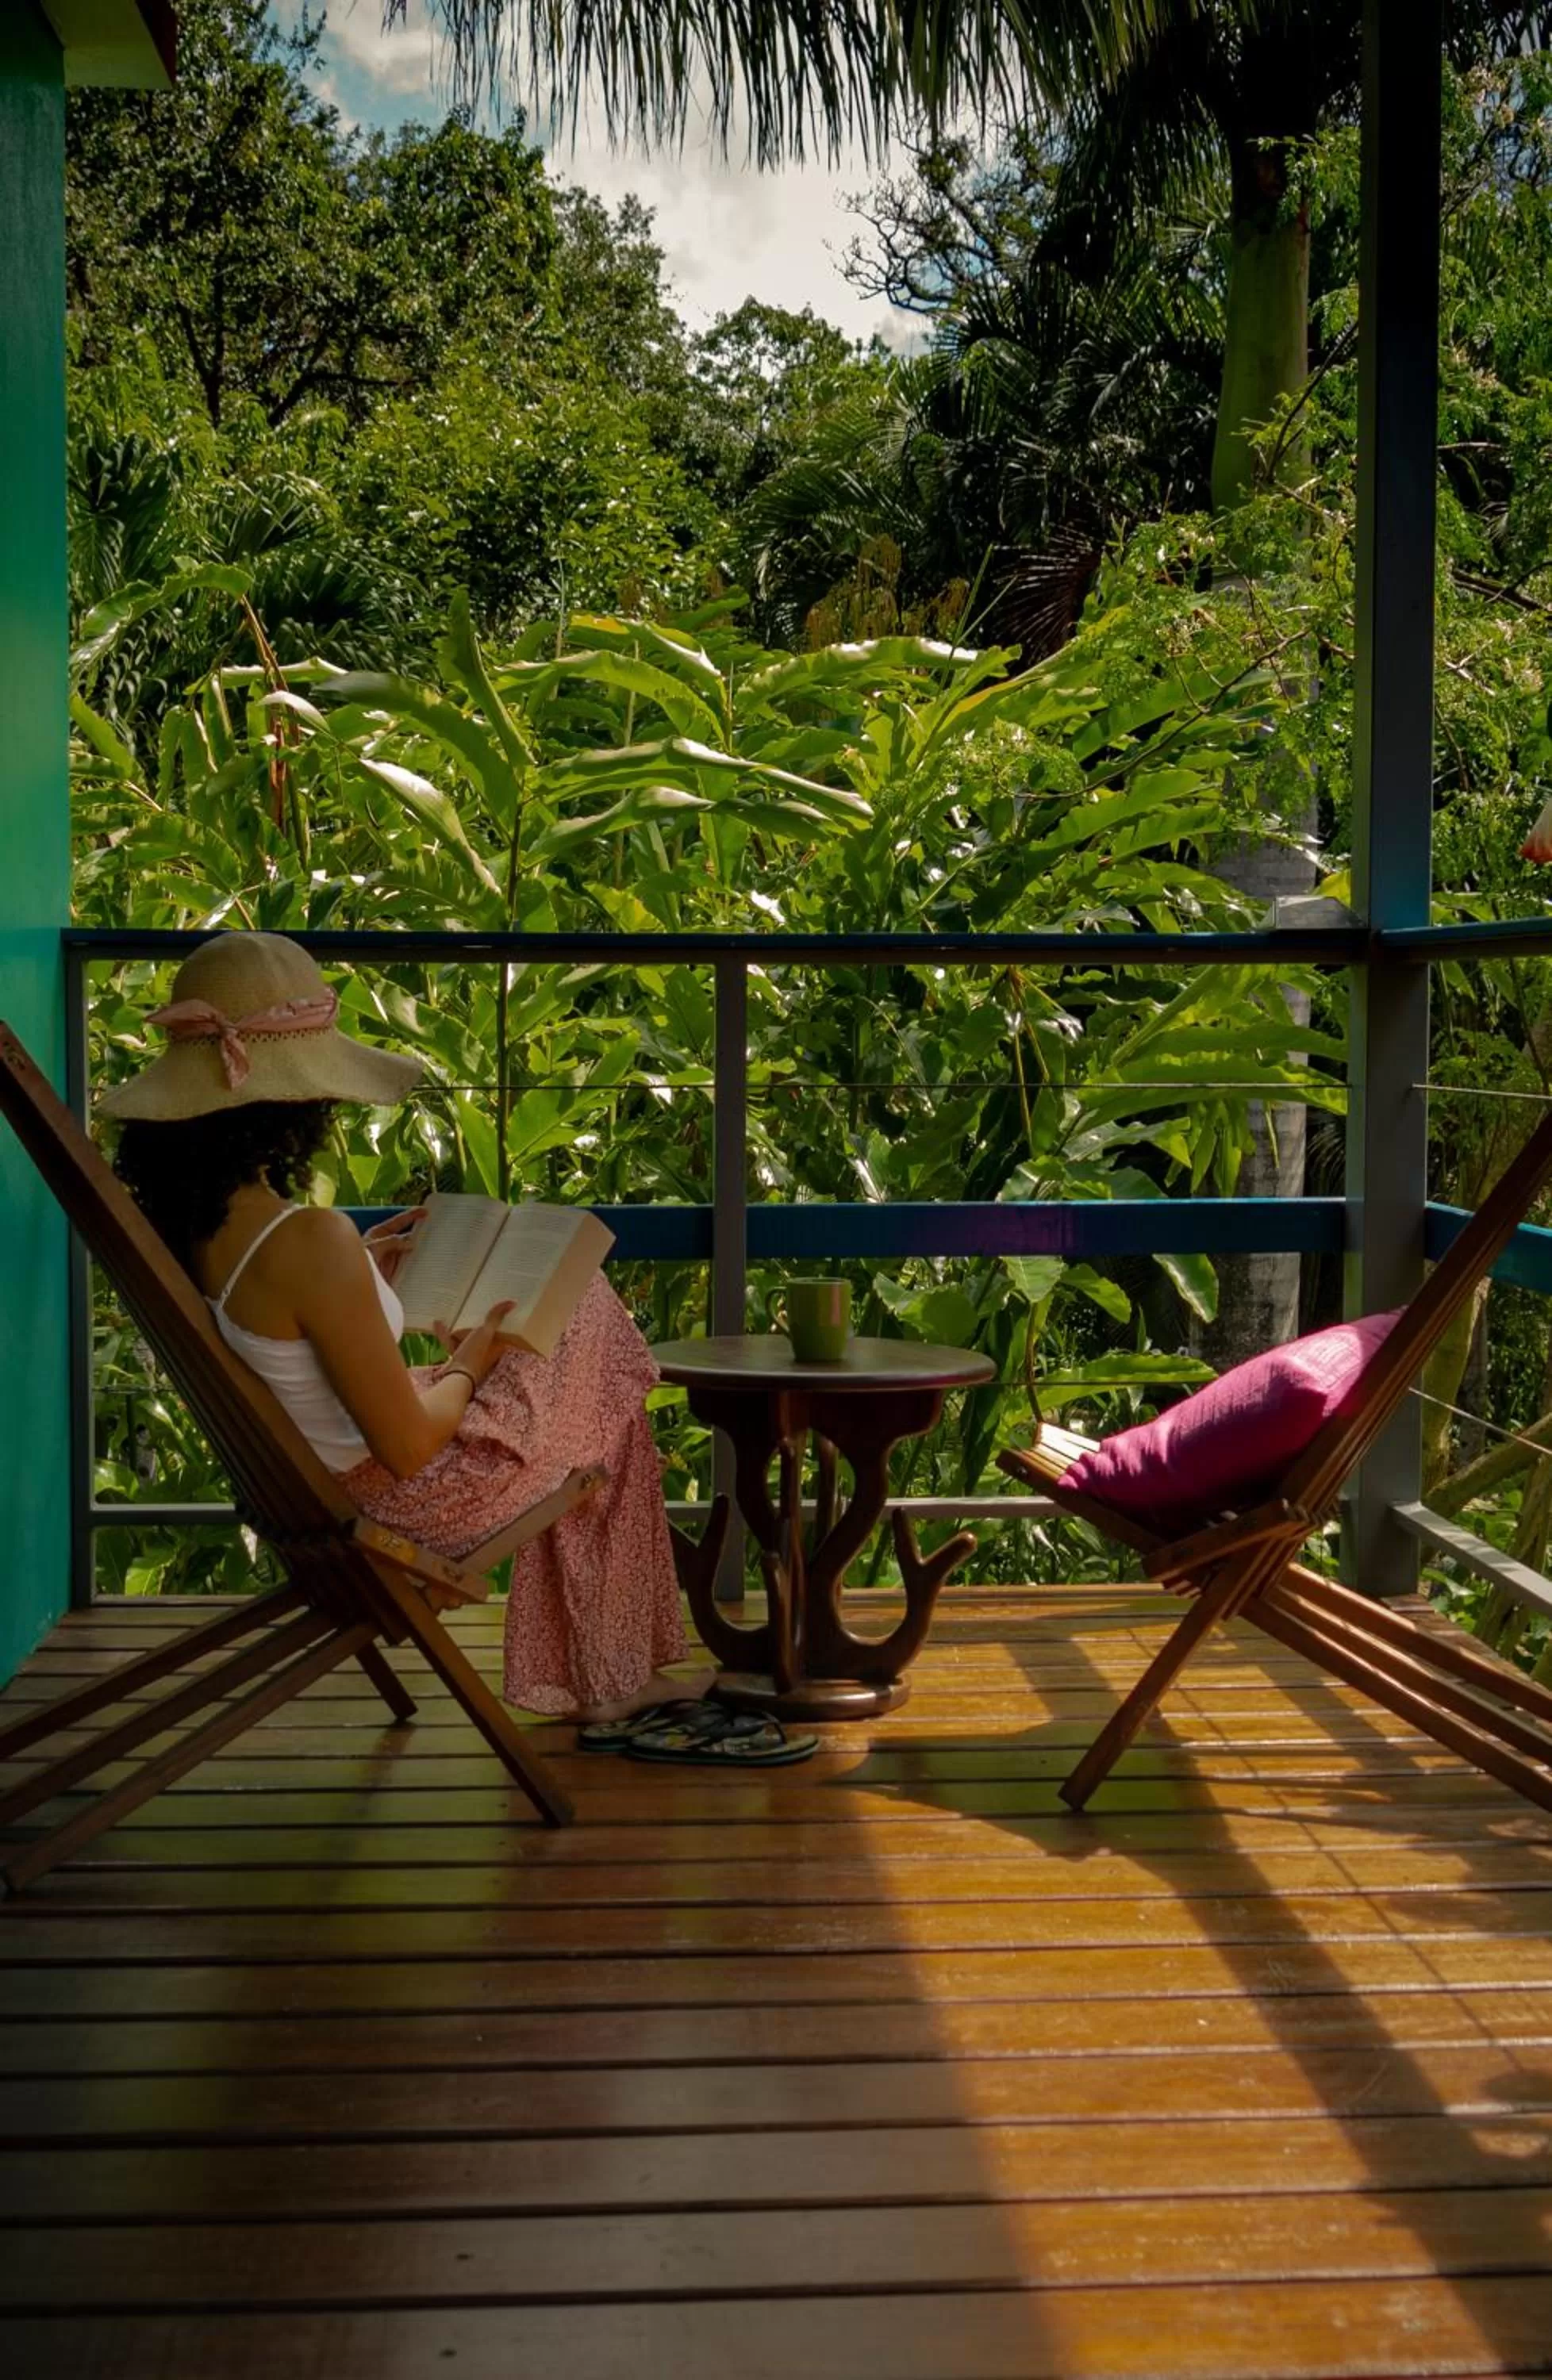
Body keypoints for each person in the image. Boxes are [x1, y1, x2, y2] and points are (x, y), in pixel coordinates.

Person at [101, 931, 705, 1729]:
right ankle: (610, 1675)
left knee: (588, 1380)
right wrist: (470, 1362)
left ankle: (604, 1671)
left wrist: (361, 1271)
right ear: (293, 1104)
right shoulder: (308, 1242)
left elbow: (286, 1336)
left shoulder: (199, 1231)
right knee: (589, 1323)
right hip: (417, 1504)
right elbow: (412, 1447)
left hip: (327, 1493)